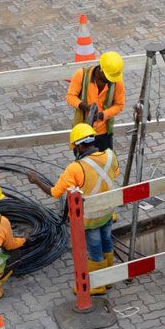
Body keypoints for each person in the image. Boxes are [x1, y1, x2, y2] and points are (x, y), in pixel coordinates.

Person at [28, 123, 118, 295]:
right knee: (107, 241)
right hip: (108, 210)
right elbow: (116, 173)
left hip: (89, 218)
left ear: (80, 146)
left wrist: (37, 180)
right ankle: (109, 279)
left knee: (95, 249)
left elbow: (54, 192)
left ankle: (98, 285)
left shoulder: (75, 168)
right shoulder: (110, 155)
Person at [66, 51, 125, 152]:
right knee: (84, 165)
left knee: (105, 163)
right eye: (109, 77)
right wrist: (84, 106)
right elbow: (70, 97)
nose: (112, 80)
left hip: (104, 134)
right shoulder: (82, 75)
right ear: (101, 70)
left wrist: (103, 115)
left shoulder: (116, 83)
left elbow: (119, 105)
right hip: (83, 133)